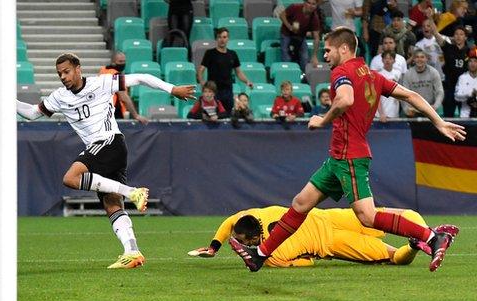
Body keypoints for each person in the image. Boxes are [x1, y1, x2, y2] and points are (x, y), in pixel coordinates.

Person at [228, 27, 466, 273]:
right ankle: (260, 254)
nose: (325, 55)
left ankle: (431, 237)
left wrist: (322, 120)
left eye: (328, 50)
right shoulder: (373, 76)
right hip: (338, 158)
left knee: (367, 216)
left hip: (350, 156)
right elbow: (411, 95)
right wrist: (438, 121)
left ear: (344, 49)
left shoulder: (342, 72)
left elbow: (345, 99)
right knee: (300, 204)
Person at [15, 53, 195, 269]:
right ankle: (132, 252)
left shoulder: (101, 83)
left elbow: (142, 77)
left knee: (71, 178)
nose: (63, 77)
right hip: (103, 149)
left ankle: (132, 192)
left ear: (78, 69)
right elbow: (33, 113)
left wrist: (171, 89)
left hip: (110, 142)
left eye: (67, 71)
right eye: (59, 74)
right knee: (112, 205)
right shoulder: (59, 97)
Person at [189, 206, 457, 267]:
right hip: (332, 216)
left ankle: (412, 246)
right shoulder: (256, 213)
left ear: (251, 241)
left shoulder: (271, 255)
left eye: (242, 243)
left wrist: (215, 247)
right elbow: (230, 222)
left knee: (394, 258)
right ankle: (426, 234)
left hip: (332, 243)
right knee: (389, 215)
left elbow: (309, 263)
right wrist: (215, 245)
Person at [197, 28, 254, 116]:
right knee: (213, 116)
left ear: (228, 39)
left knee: (228, 116)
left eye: (224, 37)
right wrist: (202, 83)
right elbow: (201, 70)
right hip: (214, 92)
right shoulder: (210, 53)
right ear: (216, 38)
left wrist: (247, 81)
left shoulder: (233, 54)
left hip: (228, 92)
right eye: (220, 37)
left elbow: (238, 72)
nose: (222, 40)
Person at [98, 51, 148, 124]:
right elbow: (124, 97)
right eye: (120, 61)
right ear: (113, 62)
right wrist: (136, 115)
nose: (122, 64)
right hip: (114, 113)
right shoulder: (117, 75)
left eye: (124, 61)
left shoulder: (103, 71)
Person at [278, 0, 322, 70]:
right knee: (286, 55)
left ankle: (304, 75)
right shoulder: (294, 7)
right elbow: (282, 15)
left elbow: (316, 38)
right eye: (309, 3)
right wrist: (289, 26)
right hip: (286, 34)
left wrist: (314, 56)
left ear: (316, 6)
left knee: (305, 57)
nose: (310, 6)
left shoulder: (314, 18)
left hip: (300, 36)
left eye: (313, 4)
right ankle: (287, 72)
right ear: (304, 3)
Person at [400, 49, 443, 117]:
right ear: (413, 59)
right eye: (417, 57)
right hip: (413, 110)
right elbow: (404, 94)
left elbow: (440, 92)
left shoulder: (434, 72)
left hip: (430, 109)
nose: (419, 59)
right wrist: (406, 109)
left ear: (426, 59)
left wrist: (435, 106)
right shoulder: (408, 74)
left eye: (422, 57)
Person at [438, 26, 470, 118]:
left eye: (461, 34)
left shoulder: (470, 51)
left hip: (465, 89)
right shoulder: (448, 48)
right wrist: (430, 18)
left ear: (466, 37)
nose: (458, 36)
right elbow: (436, 34)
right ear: (453, 37)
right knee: (448, 118)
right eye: (456, 34)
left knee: (466, 117)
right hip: (449, 88)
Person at [375, 51, 402, 121]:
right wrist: (381, 113)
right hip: (380, 116)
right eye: (385, 58)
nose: (387, 60)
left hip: (394, 113)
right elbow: (376, 96)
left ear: (394, 60)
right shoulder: (377, 75)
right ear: (382, 60)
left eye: (390, 58)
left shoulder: (398, 74)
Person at [454, 48, 477, 118]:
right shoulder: (462, 78)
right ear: (467, 63)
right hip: (465, 115)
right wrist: (470, 93)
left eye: (475, 61)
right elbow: (457, 96)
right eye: (470, 61)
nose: (472, 64)